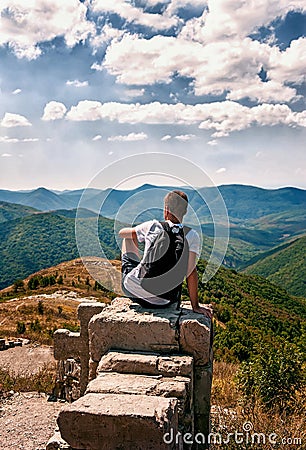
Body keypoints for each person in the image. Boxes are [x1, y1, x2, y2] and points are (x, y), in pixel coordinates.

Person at [119, 190, 212, 318]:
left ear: (166, 210)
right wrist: (195, 306)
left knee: (128, 237)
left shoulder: (153, 226)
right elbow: (191, 273)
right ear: (185, 211)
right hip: (165, 301)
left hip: (134, 290)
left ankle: (139, 273)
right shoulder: (192, 235)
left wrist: (133, 232)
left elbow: (122, 233)